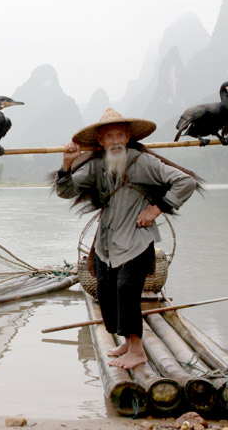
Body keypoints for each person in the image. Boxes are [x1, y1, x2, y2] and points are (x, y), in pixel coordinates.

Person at [55, 108, 198, 369]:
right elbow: (66, 191)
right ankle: (125, 341)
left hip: (136, 240)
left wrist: (157, 208)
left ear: (128, 136)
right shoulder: (97, 165)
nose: (115, 141)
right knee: (106, 291)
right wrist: (66, 164)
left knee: (126, 291)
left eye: (120, 135)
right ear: (100, 141)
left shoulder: (143, 162)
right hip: (107, 243)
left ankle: (137, 351)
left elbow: (185, 182)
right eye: (109, 136)